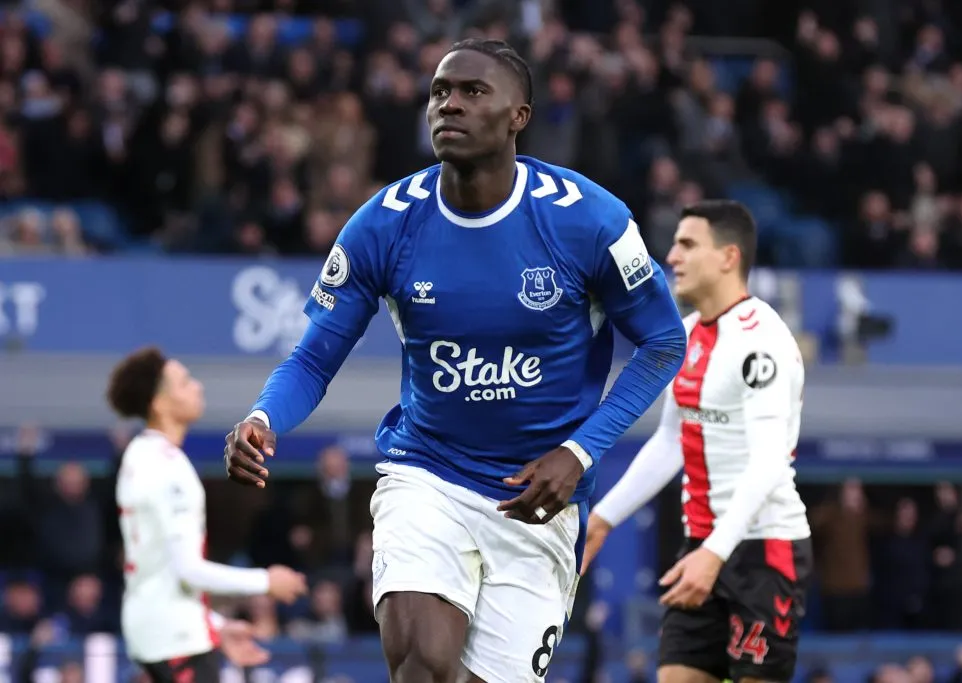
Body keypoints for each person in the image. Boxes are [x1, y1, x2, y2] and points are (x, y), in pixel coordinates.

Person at [223, 38, 687, 683]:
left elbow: (665, 344)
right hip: (427, 474)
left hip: (537, 499)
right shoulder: (382, 225)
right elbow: (313, 358)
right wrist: (264, 417)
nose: (450, 106)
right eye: (441, 92)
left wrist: (579, 452)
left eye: (473, 93)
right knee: (424, 664)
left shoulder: (590, 221)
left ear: (518, 116)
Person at [582, 201, 812, 683]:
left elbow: (770, 460)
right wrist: (603, 518)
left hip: (763, 549)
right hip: (701, 545)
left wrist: (716, 552)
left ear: (729, 257)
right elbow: (670, 442)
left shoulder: (762, 341)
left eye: (687, 244)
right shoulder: (685, 336)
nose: (672, 256)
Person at [107, 346, 308, 683]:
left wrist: (215, 628)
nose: (197, 387)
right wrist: (266, 582)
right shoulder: (169, 468)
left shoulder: (138, 456)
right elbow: (189, 571)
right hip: (175, 642)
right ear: (159, 403)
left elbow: (162, 573)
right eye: (185, 383)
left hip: (157, 634)